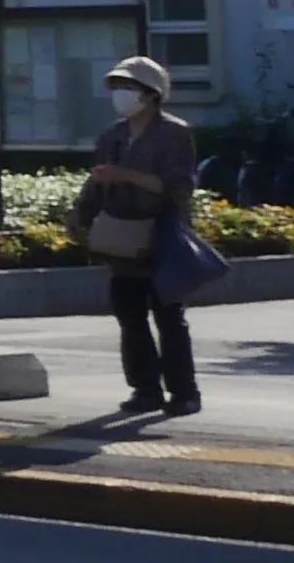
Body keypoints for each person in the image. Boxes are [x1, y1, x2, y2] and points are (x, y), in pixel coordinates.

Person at [82, 53, 208, 422]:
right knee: (130, 317)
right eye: (117, 87)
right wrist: (81, 213)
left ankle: (184, 392)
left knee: (169, 317)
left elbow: (178, 187)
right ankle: (145, 388)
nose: (121, 94)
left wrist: (126, 175)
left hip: (162, 235)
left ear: (152, 94)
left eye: (129, 87)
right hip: (121, 235)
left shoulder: (174, 133)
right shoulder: (112, 136)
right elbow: (96, 182)